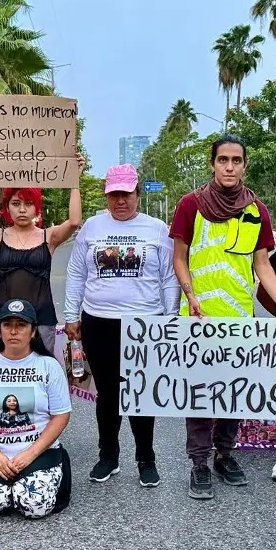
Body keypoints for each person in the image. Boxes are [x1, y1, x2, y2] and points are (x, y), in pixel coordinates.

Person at [171, 134, 276, 500]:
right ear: (212, 163)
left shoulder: (256, 209)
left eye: (236, 160)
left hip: (240, 317)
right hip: (197, 316)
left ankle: (224, 455)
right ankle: (198, 463)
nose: (229, 167)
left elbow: (261, 265)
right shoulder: (190, 204)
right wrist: (190, 295)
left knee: (232, 393)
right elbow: (179, 257)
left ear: (244, 164)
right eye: (222, 159)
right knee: (199, 395)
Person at [64, 164, 179, 488]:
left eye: (126, 194)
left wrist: (169, 321)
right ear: (107, 196)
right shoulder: (92, 227)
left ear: (137, 194)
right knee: (108, 394)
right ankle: (108, 456)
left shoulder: (157, 229)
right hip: (98, 322)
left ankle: (146, 459)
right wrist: (72, 315)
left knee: (141, 394)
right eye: (114, 195)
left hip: (146, 324)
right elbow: (76, 273)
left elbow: (169, 278)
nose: (120, 201)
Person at [0, 154, 85, 355]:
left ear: (37, 208)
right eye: (16, 203)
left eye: (28, 203)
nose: (22, 209)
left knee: (41, 375)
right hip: (1, 318)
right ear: (7, 207)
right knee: (0, 375)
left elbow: (74, 221)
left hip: (41, 319)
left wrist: (74, 179)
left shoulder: (49, 237)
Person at [0, 299, 71, 519]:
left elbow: (61, 415)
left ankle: (19, 491)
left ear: (33, 332)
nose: (14, 331)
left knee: (34, 504)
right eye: (7, 325)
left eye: (21, 325)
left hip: (38, 452)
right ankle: (11, 491)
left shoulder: (48, 366)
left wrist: (30, 454)